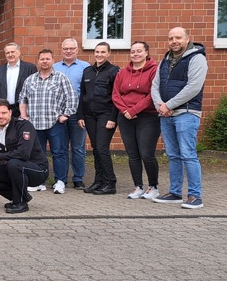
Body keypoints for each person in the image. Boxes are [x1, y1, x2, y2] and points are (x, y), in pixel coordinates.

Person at [151, 27, 208, 209]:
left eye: (178, 37)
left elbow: (193, 87)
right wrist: (160, 105)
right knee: (173, 155)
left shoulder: (197, 58)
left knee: (188, 155)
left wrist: (169, 105)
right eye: (171, 38)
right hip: (166, 114)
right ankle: (175, 192)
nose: (174, 41)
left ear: (187, 39)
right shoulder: (166, 59)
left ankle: (194, 196)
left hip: (187, 113)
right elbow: (155, 85)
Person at [18, 48, 77, 194]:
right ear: (38, 61)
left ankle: (60, 181)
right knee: (38, 154)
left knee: (59, 152)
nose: (44, 61)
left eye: (47, 59)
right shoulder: (30, 79)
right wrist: (23, 115)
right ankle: (39, 182)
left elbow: (72, 97)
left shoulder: (61, 78)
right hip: (35, 123)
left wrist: (66, 115)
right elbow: (22, 98)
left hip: (55, 123)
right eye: (42, 59)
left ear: (52, 60)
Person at [112, 41, 161, 200]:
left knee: (147, 153)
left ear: (147, 52)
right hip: (125, 117)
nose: (135, 54)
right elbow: (115, 94)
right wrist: (126, 111)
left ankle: (153, 187)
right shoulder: (123, 72)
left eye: (139, 51)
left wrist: (133, 110)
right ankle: (138, 187)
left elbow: (152, 95)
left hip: (148, 117)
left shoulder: (154, 70)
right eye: (133, 51)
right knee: (132, 154)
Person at [77, 42, 119, 195]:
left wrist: (113, 118)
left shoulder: (113, 71)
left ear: (108, 53)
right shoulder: (87, 71)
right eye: (97, 52)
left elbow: (117, 97)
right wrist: (80, 115)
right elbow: (82, 95)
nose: (99, 55)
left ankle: (110, 182)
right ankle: (99, 181)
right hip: (89, 116)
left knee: (102, 148)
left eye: (103, 52)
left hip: (106, 115)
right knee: (96, 149)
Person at [53, 38, 90, 189]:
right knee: (60, 148)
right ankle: (60, 179)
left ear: (77, 50)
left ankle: (78, 178)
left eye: (71, 48)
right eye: (65, 48)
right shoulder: (54, 67)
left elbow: (87, 92)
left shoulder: (85, 67)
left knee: (78, 148)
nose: (68, 51)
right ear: (61, 50)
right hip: (59, 115)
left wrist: (83, 114)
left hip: (77, 114)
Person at [0, 42, 37, 118]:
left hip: (22, 110)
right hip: (3, 110)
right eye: (7, 53)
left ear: (19, 53)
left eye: (13, 52)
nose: (10, 55)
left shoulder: (30, 68)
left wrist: (27, 110)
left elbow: (34, 91)